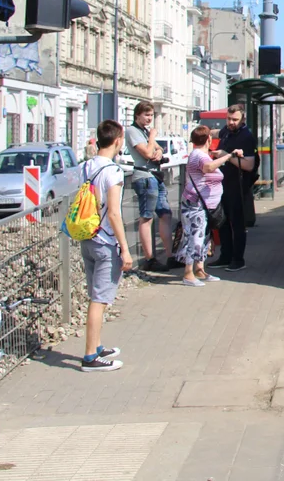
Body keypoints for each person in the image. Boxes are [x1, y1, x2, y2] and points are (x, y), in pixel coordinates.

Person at [79, 120, 132, 372]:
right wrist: (125, 248)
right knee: (99, 300)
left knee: (95, 295)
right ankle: (90, 356)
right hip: (106, 242)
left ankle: (97, 345)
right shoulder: (114, 171)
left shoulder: (86, 166)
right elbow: (113, 213)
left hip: (87, 237)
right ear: (118, 141)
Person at [177, 125, 234, 286]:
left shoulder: (201, 155)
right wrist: (227, 157)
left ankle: (199, 269)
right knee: (195, 237)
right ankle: (188, 273)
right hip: (196, 205)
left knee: (204, 237)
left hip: (205, 206)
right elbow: (208, 168)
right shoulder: (198, 155)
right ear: (209, 139)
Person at [208, 105, 257, 272]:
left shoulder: (246, 137)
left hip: (238, 186)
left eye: (235, 120)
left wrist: (225, 156)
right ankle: (225, 256)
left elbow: (249, 165)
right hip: (222, 185)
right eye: (228, 119)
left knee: (237, 224)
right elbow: (216, 133)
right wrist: (202, 133)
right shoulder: (227, 131)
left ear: (242, 119)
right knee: (222, 222)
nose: (231, 122)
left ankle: (238, 259)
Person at [126, 102, 172, 272]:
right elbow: (146, 153)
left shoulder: (144, 131)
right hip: (144, 176)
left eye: (151, 115)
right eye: (146, 115)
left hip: (155, 175)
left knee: (165, 213)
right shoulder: (133, 131)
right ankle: (149, 258)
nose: (149, 118)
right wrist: (152, 137)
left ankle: (170, 255)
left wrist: (158, 151)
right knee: (146, 217)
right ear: (137, 115)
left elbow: (157, 149)